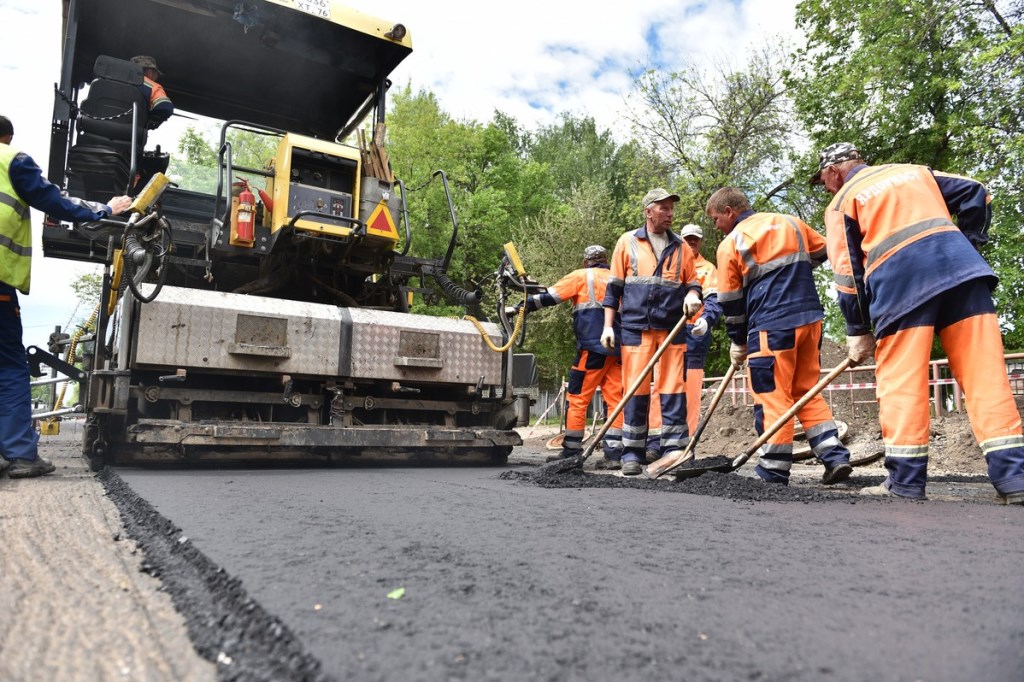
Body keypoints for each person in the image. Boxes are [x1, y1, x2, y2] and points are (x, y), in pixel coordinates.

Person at [813, 141, 1024, 504]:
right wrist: (970, 245)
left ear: (834, 171)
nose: (827, 187)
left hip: (901, 285)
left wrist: (857, 330)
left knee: (902, 382)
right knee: (985, 376)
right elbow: (976, 191)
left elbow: (847, 273)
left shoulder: (843, 200)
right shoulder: (913, 171)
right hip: (964, 275)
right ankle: (1015, 478)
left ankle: (906, 483)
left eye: (824, 181)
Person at [0, 115, 132, 478]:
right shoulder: (11, 159)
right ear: (6, 136)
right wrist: (106, 209)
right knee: (8, 369)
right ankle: (21, 455)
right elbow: (54, 200)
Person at [707, 186, 852, 486]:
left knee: (772, 394)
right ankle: (834, 456)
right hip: (811, 320)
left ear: (729, 212)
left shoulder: (731, 243)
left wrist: (738, 341)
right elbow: (825, 251)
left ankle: (773, 468)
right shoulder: (790, 222)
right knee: (806, 390)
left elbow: (731, 302)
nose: (716, 226)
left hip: (771, 326)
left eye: (715, 219)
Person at [601, 188, 702, 476]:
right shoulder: (627, 242)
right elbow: (614, 289)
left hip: (672, 328)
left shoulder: (681, 247)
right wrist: (608, 325)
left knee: (672, 389)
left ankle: (674, 449)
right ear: (648, 211)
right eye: (664, 208)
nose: (670, 213)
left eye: (671, 208)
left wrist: (692, 295)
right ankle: (632, 451)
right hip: (635, 328)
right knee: (636, 390)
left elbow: (692, 283)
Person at [518, 245, 624, 468]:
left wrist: (524, 305)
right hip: (619, 350)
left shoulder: (581, 276)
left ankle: (572, 451)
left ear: (586, 262)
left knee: (577, 397)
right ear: (605, 260)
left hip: (592, 348)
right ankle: (614, 455)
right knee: (615, 401)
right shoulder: (618, 278)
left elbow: (551, 296)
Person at [643, 224, 722, 460]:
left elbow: (715, 300)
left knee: (691, 389)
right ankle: (655, 442)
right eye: (687, 239)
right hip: (667, 334)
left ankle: (685, 443)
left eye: (695, 240)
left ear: (700, 242)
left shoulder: (708, 269)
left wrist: (707, 320)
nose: (691, 243)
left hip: (694, 335)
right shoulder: (670, 263)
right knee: (661, 386)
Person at [130, 56, 174, 129]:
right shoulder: (152, 86)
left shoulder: (109, 78)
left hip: (105, 126)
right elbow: (165, 107)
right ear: (149, 72)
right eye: (156, 75)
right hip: (131, 133)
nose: (156, 79)